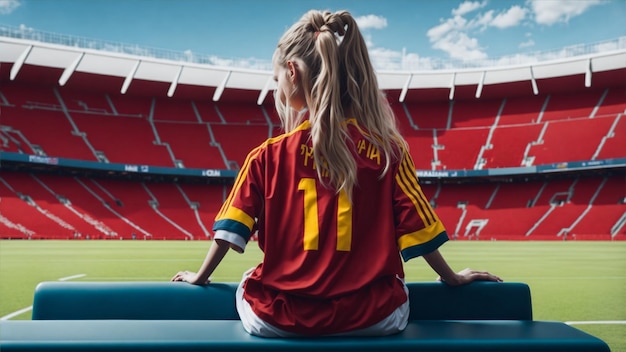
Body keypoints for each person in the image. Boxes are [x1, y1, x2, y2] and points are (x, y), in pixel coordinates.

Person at [172, 9, 502, 337]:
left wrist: (199, 277)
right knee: (394, 287)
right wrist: (453, 278)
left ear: (292, 71)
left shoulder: (266, 155)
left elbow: (229, 232)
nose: (278, 90)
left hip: (282, 320)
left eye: (276, 80)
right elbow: (418, 230)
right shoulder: (388, 152)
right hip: (375, 317)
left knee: (250, 279)